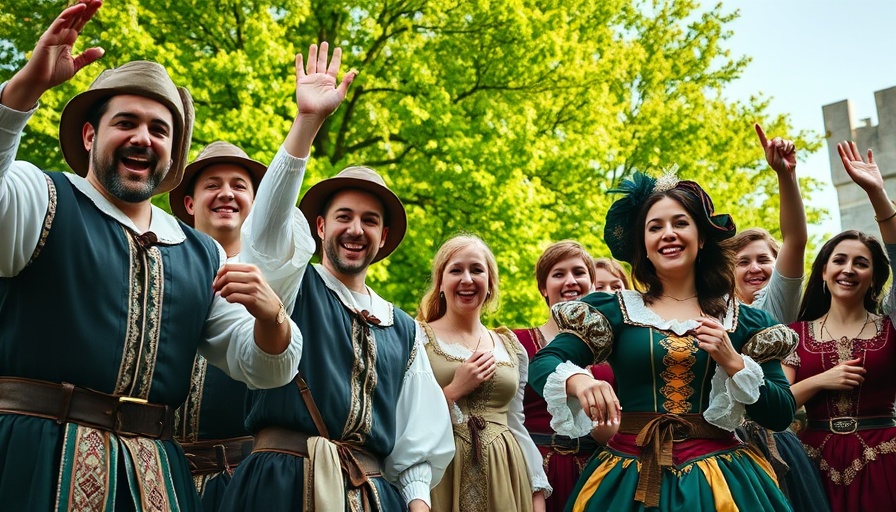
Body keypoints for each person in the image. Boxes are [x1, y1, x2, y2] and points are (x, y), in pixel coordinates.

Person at [0, 2, 302, 510]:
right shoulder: (41, 197)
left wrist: (273, 318)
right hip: (33, 460)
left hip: (154, 476)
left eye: (160, 130)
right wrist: (22, 93)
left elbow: (260, 367)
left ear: (172, 153)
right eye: (126, 122)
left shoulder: (201, 253)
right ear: (90, 134)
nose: (143, 137)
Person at [219, 42, 454, 512]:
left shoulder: (404, 329)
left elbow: (417, 436)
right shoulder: (290, 281)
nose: (355, 229)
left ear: (383, 237)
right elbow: (263, 231)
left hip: (370, 495)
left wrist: (417, 504)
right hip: (279, 484)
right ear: (320, 226)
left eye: (370, 220)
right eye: (343, 216)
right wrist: (306, 123)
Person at [529, 171, 798, 511]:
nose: (668, 233)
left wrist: (734, 363)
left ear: (701, 237)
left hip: (723, 484)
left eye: (680, 223)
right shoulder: (616, 310)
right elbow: (544, 363)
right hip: (628, 477)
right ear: (643, 244)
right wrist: (579, 379)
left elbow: (782, 414)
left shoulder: (746, 320)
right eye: (655, 227)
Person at [170, 141, 307, 509]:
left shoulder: (277, 277)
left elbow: (276, 213)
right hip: (159, 474)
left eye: (239, 185)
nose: (226, 193)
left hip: (242, 481)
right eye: (212, 184)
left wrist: (306, 126)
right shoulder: (165, 271)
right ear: (189, 203)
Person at [783, 140, 896, 512]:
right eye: (840, 260)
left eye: (861, 263)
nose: (849, 269)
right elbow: (776, 406)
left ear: (875, 275)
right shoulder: (795, 334)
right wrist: (819, 381)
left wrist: (878, 194)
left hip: (887, 458)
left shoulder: (892, 327)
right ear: (824, 271)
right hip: (811, 464)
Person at [726, 125, 829, 512]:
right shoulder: (711, 309)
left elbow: (796, 238)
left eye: (763, 259)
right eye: (743, 261)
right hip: (714, 445)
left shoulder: (772, 310)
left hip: (770, 440)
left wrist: (786, 176)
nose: (754, 267)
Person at [416, 234, 550, 511]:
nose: (467, 279)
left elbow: (516, 422)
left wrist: (536, 491)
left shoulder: (510, 346)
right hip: (443, 474)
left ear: (490, 284)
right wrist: (453, 391)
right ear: (440, 283)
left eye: (477, 270)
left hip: (506, 477)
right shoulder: (418, 338)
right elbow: (406, 419)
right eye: (456, 270)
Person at [513, 241, 618, 512]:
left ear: (592, 284)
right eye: (558, 274)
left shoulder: (614, 352)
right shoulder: (516, 342)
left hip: (598, 471)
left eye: (579, 273)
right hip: (533, 470)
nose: (570, 281)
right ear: (543, 288)